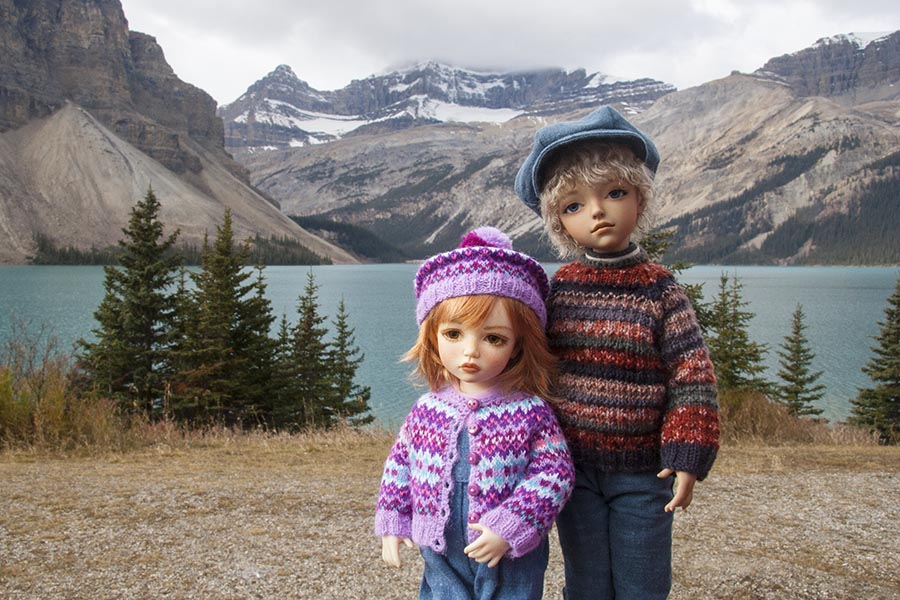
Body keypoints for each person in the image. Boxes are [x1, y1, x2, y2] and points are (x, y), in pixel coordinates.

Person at [514, 106, 720, 600]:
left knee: (642, 580)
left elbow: (691, 372)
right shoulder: (559, 288)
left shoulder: (658, 289)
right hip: (572, 469)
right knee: (585, 581)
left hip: (643, 471)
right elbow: (533, 363)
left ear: (639, 199)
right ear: (561, 224)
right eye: (573, 206)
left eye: (614, 193)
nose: (598, 212)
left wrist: (687, 453)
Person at [375, 226, 575, 600]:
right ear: (431, 336)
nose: (471, 352)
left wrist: (512, 524)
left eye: (493, 338)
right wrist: (393, 520)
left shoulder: (530, 412)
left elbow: (555, 473)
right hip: (440, 551)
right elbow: (400, 463)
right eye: (453, 334)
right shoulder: (428, 409)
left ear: (518, 346)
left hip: (510, 555)